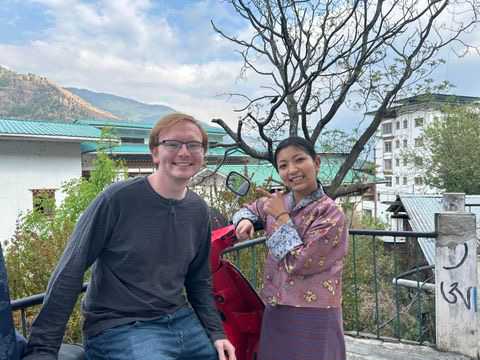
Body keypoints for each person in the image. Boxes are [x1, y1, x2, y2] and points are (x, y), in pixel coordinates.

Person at [22, 113, 236, 360]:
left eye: (193, 145)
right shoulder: (117, 199)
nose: (184, 152)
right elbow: (71, 269)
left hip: (180, 319)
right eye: (173, 144)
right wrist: (42, 350)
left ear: (203, 154)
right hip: (120, 325)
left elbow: (198, 279)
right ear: (155, 153)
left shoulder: (198, 210)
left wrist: (216, 333)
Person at [232, 136, 348, 360]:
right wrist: (245, 221)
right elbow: (248, 209)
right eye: (283, 165)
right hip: (276, 306)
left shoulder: (330, 213)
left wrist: (282, 217)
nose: (292, 170)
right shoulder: (280, 200)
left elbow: (301, 263)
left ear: (316, 162)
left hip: (315, 312)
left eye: (299, 160)